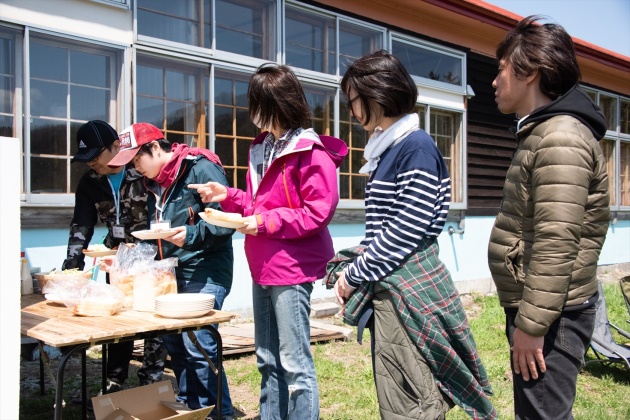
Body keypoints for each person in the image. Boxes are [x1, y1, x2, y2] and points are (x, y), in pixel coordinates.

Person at [332, 50, 496, 419]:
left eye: (353, 100)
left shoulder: (414, 146)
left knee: (410, 399)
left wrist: (353, 275)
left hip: (405, 288)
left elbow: (406, 228)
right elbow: (388, 227)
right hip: (392, 285)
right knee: (399, 390)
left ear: (377, 93)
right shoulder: (389, 148)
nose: (352, 110)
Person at [189, 63, 347, 420]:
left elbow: (316, 212)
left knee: (294, 363)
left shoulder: (311, 151)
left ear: (278, 103)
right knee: (266, 358)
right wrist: (225, 194)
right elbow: (256, 205)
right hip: (261, 263)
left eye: (258, 103)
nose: (253, 112)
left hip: (291, 267)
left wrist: (260, 222)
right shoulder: (263, 148)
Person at [487, 16, 609, 419]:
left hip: (553, 315)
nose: (494, 81)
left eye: (501, 69)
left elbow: (557, 240)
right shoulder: (543, 132)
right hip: (545, 308)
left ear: (531, 71)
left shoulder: (560, 138)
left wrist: (533, 326)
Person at [105, 122, 235, 419]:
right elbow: (159, 232)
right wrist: (127, 261)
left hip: (205, 269)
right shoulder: (153, 182)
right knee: (175, 344)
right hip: (170, 273)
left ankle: (220, 415)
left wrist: (189, 236)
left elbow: (225, 220)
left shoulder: (200, 167)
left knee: (200, 345)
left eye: (137, 159)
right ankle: (192, 410)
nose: (136, 168)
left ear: (153, 147)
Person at [62, 120, 166, 395]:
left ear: (116, 146)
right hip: (116, 260)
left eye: (96, 155)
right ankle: (115, 380)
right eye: (87, 158)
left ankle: (151, 381)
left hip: (153, 259)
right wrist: (71, 270)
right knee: (117, 322)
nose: (92, 163)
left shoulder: (142, 168)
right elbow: (81, 225)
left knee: (154, 323)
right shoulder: (90, 182)